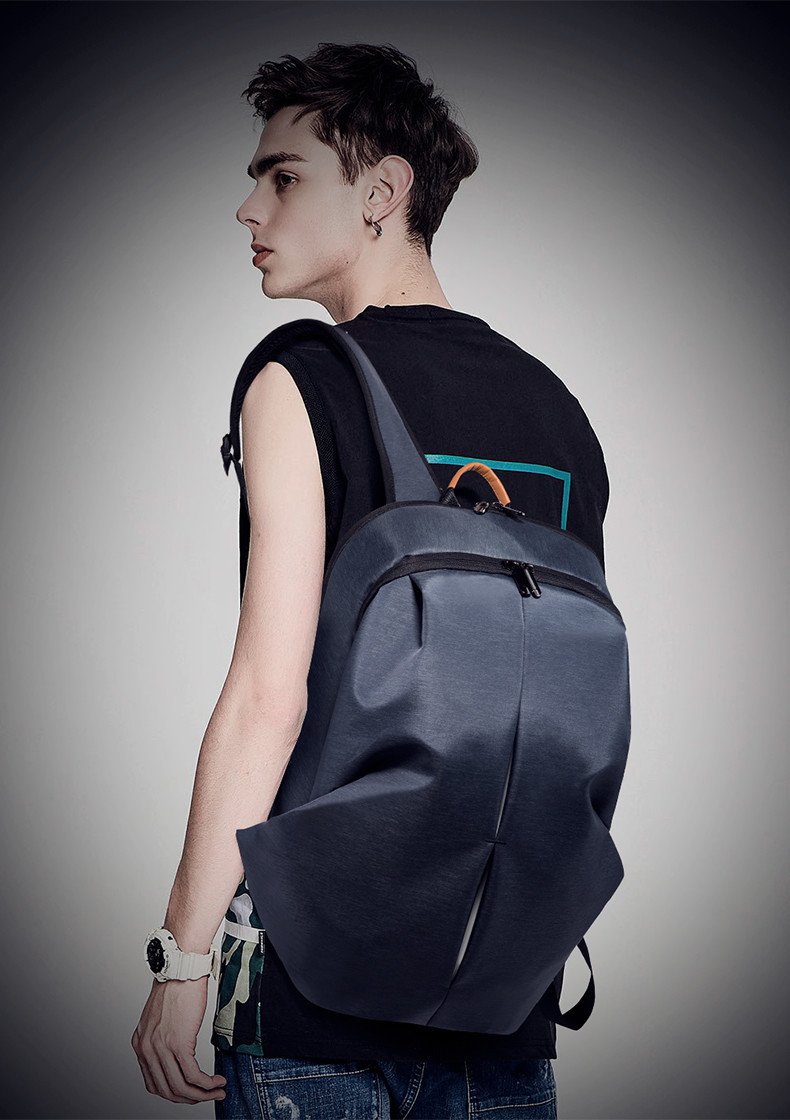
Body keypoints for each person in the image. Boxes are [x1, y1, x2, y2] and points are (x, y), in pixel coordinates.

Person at [131, 41, 610, 1120]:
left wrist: (182, 957)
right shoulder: (557, 409)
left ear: (383, 191)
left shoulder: (303, 377)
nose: (249, 208)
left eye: (283, 175)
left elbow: (270, 696)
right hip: (506, 992)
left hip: (316, 992)